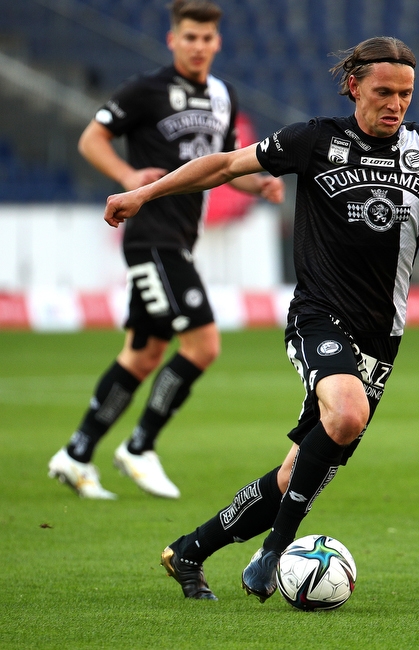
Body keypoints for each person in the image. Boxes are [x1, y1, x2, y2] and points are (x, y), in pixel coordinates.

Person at [102, 36, 419, 600]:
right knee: (346, 415)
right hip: (319, 316)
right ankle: (277, 548)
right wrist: (146, 193)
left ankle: (190, 551)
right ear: (354, 86)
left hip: (383, 337)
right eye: (383, 92)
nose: (395, 104)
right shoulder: (315, 139)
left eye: (406, 93)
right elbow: (225, 164)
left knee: (294, 472)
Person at [47, 0, 284, 500]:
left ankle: (76, 452)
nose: (198, 46)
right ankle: (139, 446)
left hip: (180, 238)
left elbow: (215, 166)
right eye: (189, 37)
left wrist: (256, 185)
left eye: (206, 38)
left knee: (143, 353)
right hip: (150, 239)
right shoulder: (145, 90)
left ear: (217, 43)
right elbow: (92, 139)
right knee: (203, 345)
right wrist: (127, 175)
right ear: (173, 39)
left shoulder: (223, 96)